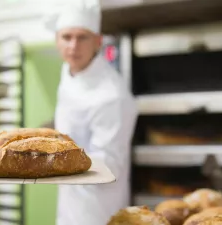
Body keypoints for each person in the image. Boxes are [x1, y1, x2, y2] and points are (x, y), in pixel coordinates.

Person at [43, 0, 138, 224]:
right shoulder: (70, 72)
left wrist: (49, 160)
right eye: (67, 37)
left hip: (98, 208)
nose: (73, 46)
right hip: (69, 201)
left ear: (97, 42)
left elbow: (109, 165)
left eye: (82, 37)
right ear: (57, 40)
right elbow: (73, 116)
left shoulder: (112, 95)